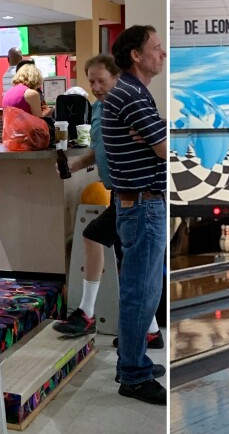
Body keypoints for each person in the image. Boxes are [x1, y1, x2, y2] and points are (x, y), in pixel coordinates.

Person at [53, 54, 164, 351]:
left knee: (107, 248)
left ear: (118, 78)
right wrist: (76, 166)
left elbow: (157, 144)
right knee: (101, 243)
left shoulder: (126, 105)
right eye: (91, 82)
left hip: (135, 196)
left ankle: (90, 314)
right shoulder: (100, 108)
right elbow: (101, 149)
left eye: (102, 80)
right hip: (120, 195)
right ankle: (149, 331)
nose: (96, 87)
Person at [102, 25, 167, 405]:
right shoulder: (132, 96)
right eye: (156, 49)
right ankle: (134, 376)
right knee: (141, 294)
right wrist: (164, 135)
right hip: (142, 205)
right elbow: (163, 149)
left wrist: (161, 133)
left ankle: (131, 360)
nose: (163, 54)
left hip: (137, 203)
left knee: (140, 291)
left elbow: (159, 139)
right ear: (136, 56)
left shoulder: (133, 93)